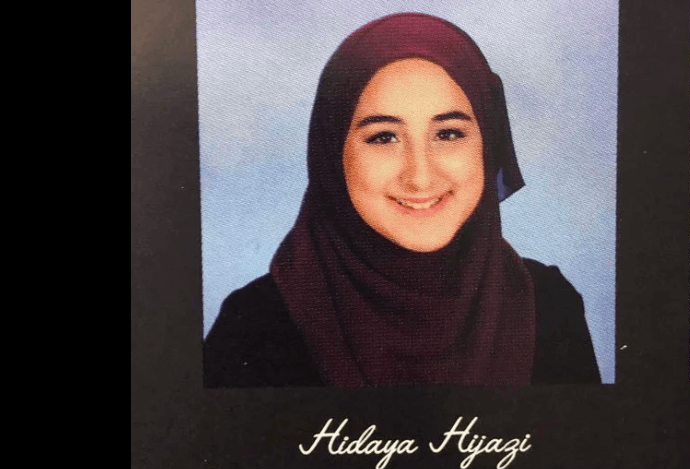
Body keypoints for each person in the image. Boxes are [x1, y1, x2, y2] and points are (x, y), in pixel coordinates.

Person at [203, 13, 601, 387]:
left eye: (448, 134)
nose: (420, 176)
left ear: (487, 145)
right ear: (331, 155)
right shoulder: (254, 326)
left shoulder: (548, 307)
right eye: (383, 137)